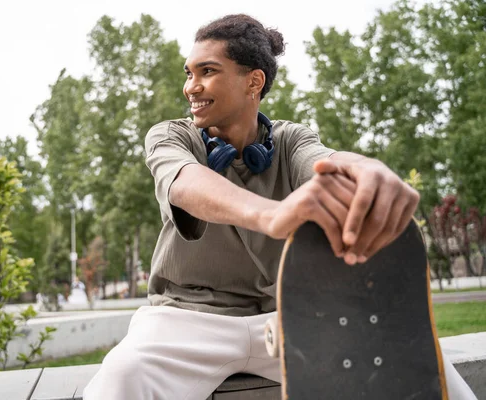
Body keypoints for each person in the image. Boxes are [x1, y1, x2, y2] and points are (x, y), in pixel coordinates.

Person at [83, 14, 476, 399]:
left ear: (254, 81)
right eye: (189, 73)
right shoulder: (171, 136)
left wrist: (368, 170)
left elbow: (327, 161)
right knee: (121, 375)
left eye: (207, 71)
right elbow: (186, 182)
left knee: (426, 365)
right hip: (185, 320)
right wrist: (271, 214)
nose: (191, 86)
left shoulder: (290, 139)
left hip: (290, 318)